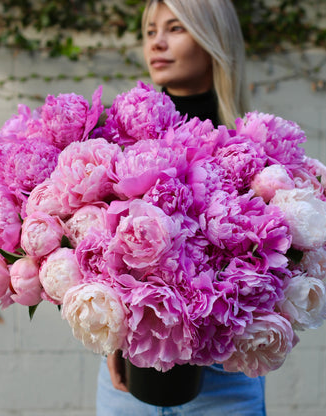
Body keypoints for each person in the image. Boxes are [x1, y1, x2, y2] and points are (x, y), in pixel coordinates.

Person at [96, 1, 266, 415]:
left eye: (175, 28)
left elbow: (275, 271)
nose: (157, 41)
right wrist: (113, 333)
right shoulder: (120, 140)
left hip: (225, 381)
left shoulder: (254, 149)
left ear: (212, 41)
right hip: (128, 380)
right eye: (151, 30)